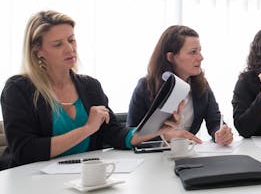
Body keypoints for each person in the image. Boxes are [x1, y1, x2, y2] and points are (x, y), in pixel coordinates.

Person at [0, 10, 183, 169]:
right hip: (30, 183)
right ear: (37, 51)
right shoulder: (17, 90)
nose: (70, 48)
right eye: (58, 44)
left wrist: (156, 130)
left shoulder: (89, 86)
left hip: (84, 179)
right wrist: (87, 129)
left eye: (72, 40)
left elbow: (113, 132)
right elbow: (25, 151)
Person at [127, 25, 233, 145]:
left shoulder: (201, 84)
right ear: (171, 57)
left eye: (200, 51)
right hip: (154, 157)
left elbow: (214, 121)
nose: (201, 57)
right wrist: (164, 136)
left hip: (187, 154)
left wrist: (220, 133)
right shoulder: (145, 86)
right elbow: (131, 134)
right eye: (193, 52)